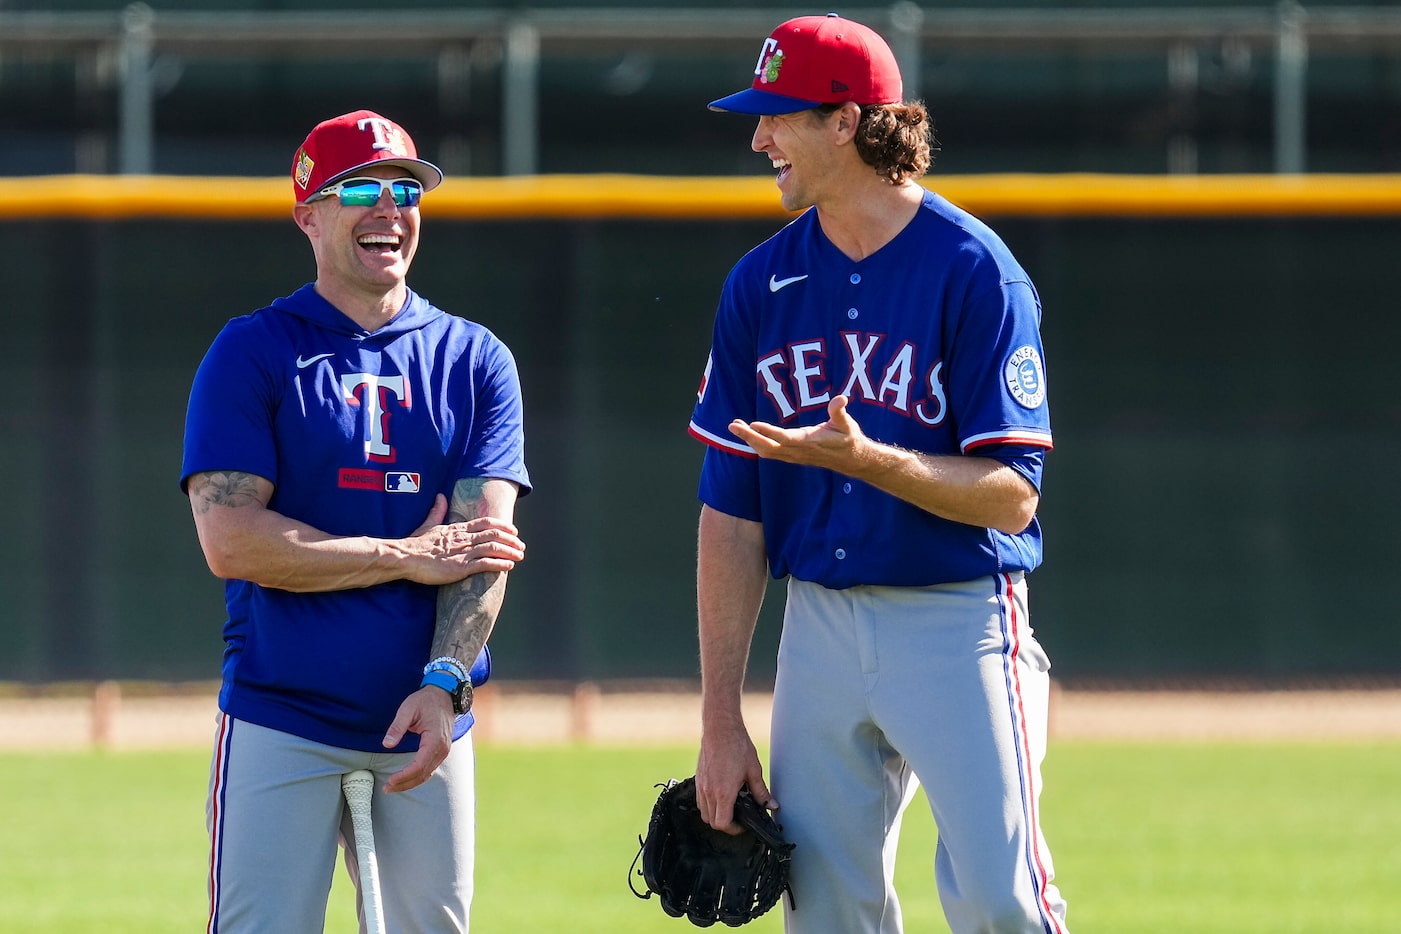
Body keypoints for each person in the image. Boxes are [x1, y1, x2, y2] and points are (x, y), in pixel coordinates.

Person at [688, 15, 1069, 934]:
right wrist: (719, 719)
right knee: (823, 910)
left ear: (845, 120)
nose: (758, 137)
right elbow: (730, 514)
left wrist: (872, 463)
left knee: (1001, 900)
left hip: (958, 618)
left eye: (777, 116)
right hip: (816, 626)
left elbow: (1012, 493)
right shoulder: (759, 283)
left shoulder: (975, 271)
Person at [181, 109, 531, 932]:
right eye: (361, 189)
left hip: (427, 724)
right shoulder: (253, 349)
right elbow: (232, 543)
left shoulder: (476, 357)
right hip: (281, 715)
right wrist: (402, 555)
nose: (390, 207)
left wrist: (444, 685)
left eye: (406, 189)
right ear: (308, 213)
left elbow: (483, 548)